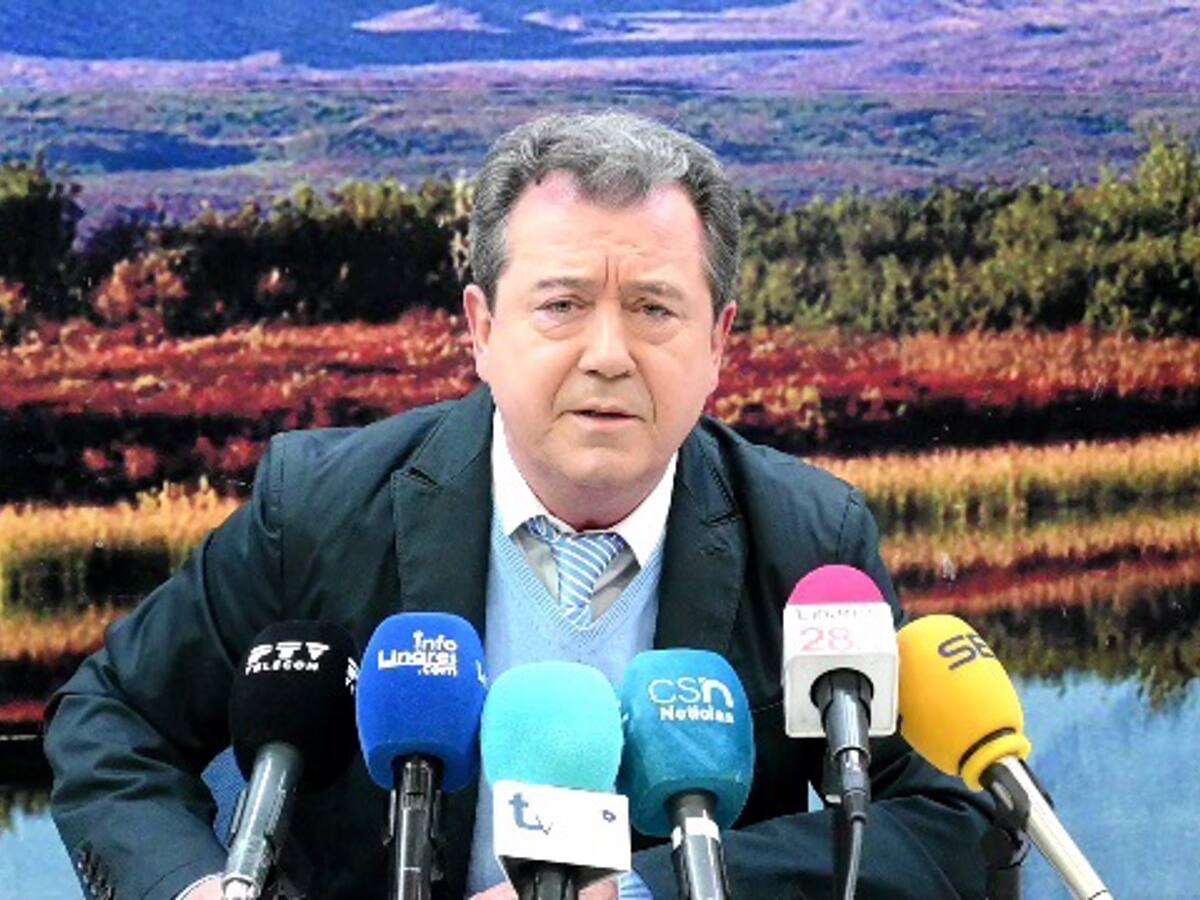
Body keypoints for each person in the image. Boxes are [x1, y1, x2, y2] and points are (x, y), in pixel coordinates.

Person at [45, 112, 990, 900]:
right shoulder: (323, 508)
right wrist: (193, 887)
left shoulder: (809, 541)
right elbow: (112, 721)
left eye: (655, 309)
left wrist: (649, 890)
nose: (608, 355)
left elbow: (954, 825)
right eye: (562, 305)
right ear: (482, 328)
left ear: (719, 343)